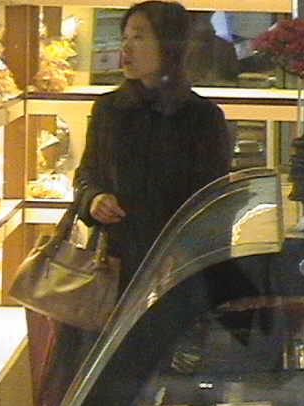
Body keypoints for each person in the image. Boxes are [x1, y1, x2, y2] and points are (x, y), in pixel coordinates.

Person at [75, 0, 232, 293]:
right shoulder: (108, 109)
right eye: (124, 37)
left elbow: (212, 200)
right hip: (111, 262)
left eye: (139, 37)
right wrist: (94, 198)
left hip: (176, 266)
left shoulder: (202, 117)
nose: (126, 47)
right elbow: (87, 173)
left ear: (169, 45)